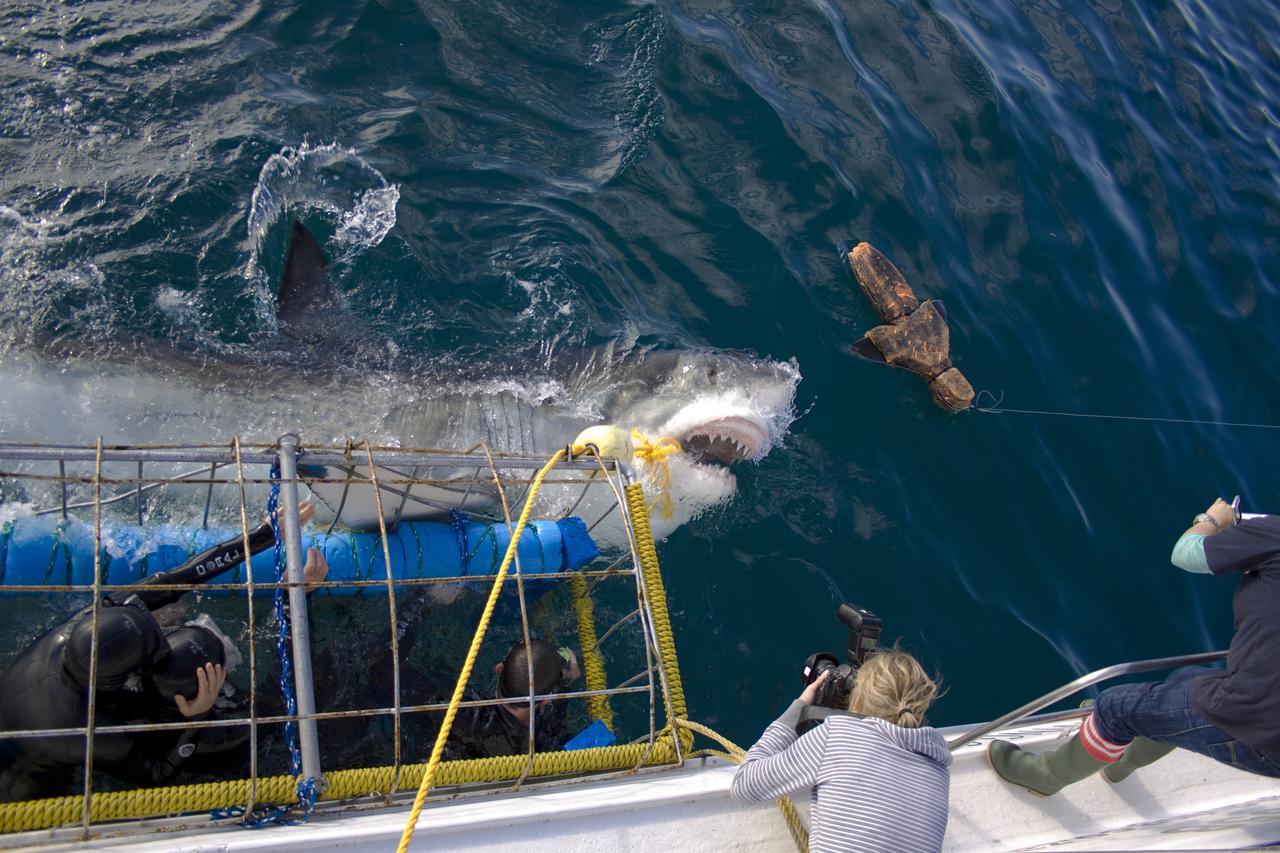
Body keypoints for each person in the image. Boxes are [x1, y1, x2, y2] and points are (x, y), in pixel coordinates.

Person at [0, 502, 328, 802]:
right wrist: (197, 716)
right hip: (24, 778)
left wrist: (263, 534)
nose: (168, 624)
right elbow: (156, 774)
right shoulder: (88, 729)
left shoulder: (85, 626)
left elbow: (177, 578)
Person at [988, 497, 1280, 794]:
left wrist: (1213, 520)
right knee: (1188, 678)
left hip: (1254, 727)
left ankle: (1045, 777)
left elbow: (1186, 554)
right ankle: (1120, 765)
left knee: (1115, 708)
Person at [730, 648, 951, 853]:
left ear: (858, 695)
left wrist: (800, 708)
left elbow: (744, 785)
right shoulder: (939, 769)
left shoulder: (837, 736)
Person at [444, 637, 581, 760]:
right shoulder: (543, 743)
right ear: (546, 700)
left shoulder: (460, 713)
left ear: (499, 669)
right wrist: (566, 684)